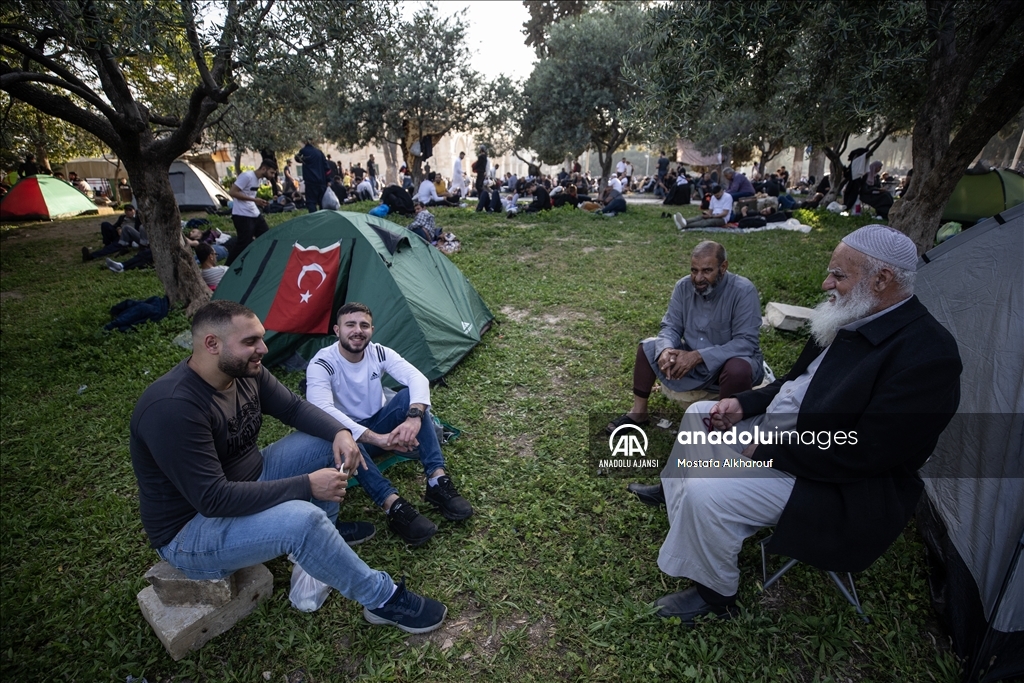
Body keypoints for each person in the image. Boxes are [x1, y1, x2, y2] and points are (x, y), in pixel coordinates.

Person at [629, 225, 961, 626]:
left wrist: (765, 450)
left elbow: (865, 450)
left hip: (835, 483)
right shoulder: (852, 314)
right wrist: (741, 403)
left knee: (707, 492)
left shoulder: (928, 356)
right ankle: (674, 494)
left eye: (838, 275)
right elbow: (793, 384)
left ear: (882, 279)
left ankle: (715, 595)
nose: (827, 283)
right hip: (784, 435)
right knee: (701, 416)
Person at [130, 301, 446, 632]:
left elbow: (294, 409)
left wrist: (340, 433)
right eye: (250, 342)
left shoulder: (244, 373)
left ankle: (328, 535)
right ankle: (383, 600)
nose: (262, 349)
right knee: (303, 521)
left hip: (252, 477)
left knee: (329, 442)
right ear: (212, 344)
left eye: (261, 339)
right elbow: (212, 499)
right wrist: (306, 486)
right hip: (192, 529)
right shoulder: (172, 408)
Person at [306, 303, 473, 546]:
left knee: (411, 399)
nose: (357, 330)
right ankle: (393, 506)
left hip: (381, 425)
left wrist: (414, 417)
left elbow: (417, 378)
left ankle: (437, 480)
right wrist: (377, 439)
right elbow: (320, 409)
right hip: (350, 439)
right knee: (343, 435)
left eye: (364, 325)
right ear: (337, 330)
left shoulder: (378, 352)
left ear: (372, 329)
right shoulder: (322, 363)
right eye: (350, 324)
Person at [606, 241, 763, 434]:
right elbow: (670, 326)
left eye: (706, 271)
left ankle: (724, 429)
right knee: (648, 347)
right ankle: (639, 413)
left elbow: (746, 343)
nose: (698, 278)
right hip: (691, 362)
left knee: (737, 369)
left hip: (725, 364)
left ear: (723, 267)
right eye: (694, 270)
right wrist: (666, 349)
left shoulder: (743, 291)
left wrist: (698, 356)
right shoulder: (683, 286)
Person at [226, 155, 277, 266]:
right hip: (242, 215)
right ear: (264, 169)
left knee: (267, 237)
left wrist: (258, 201)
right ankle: (227, 268)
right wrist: (254, 199)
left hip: (254, 214)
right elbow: (233, 192)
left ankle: (264, 262)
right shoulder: (247, 176)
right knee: (243, 243)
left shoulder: (258, 180)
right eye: (272, 172)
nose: (273, 176)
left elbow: (248, 195)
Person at [295, 139, 329, 213]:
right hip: (321, 182)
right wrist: (329, 180)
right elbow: (327, 168)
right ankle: (323, 218)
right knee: (322, 202)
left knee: (311, 202)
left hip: (310, 182)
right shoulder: (319, 152)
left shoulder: (303, 151)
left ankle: (314, 219)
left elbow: (297, 158)